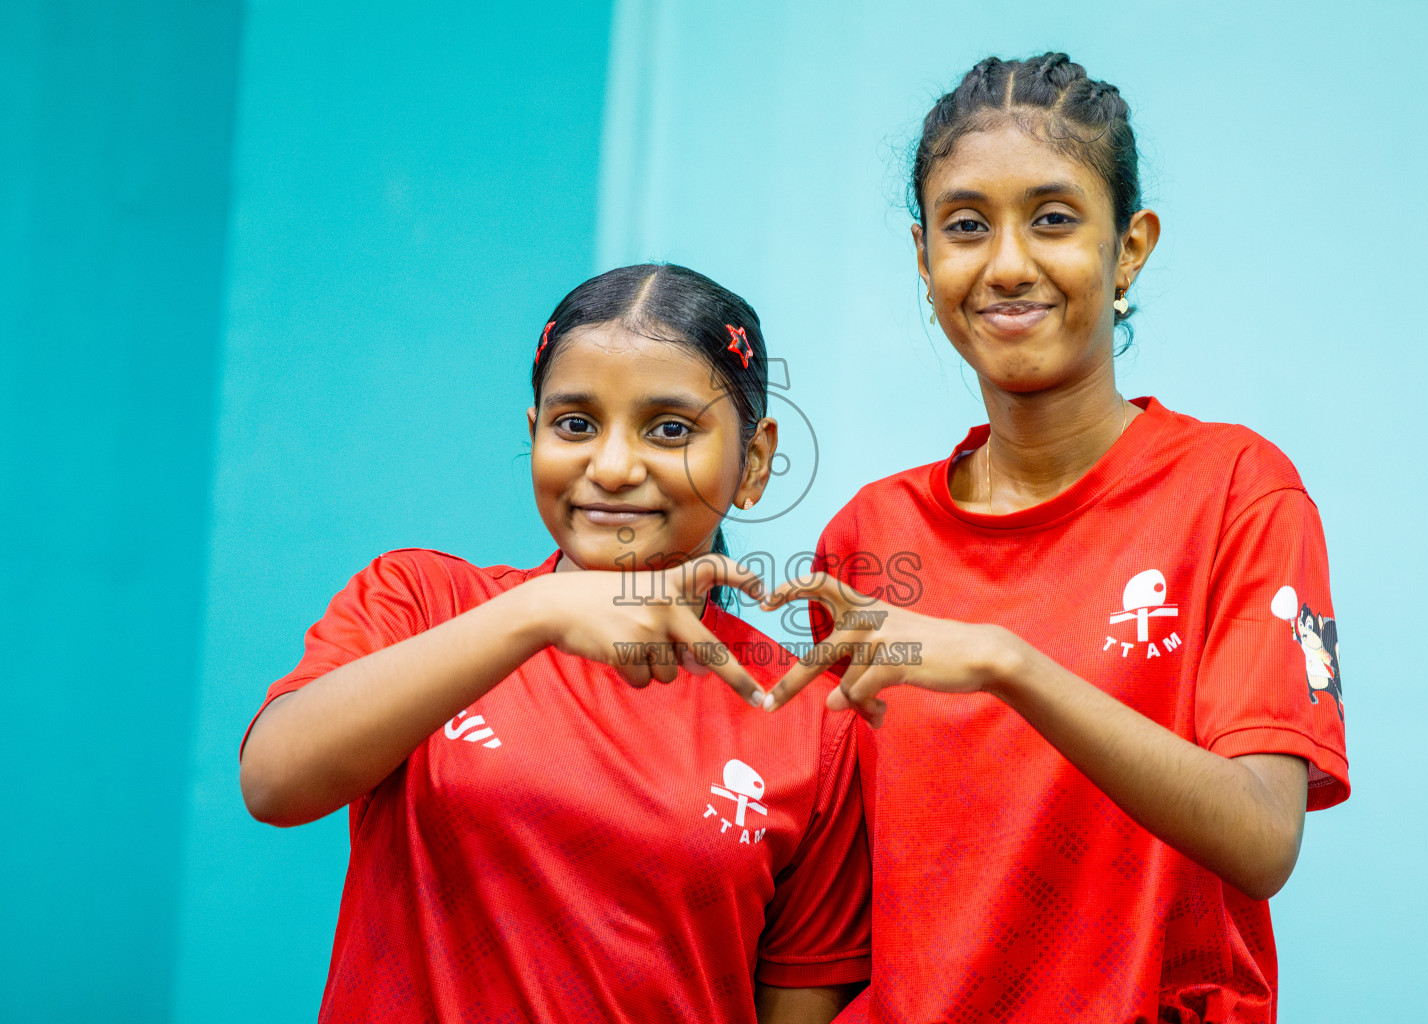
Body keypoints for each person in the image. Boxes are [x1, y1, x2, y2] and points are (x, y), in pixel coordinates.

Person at [761, 55, 1349, 1023]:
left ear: (1130, 248)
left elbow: (1260, 835)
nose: (1006, 263)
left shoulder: (1237, 490)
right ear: (922, 259)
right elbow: (826, 906)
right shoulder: (869, 535)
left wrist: (1005, 661)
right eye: (964, 226)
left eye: (1053, 217)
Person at [239, 264, 871, 1024]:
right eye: (575, 424)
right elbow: (275, 784)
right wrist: (535, 611)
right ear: (534, 432)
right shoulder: (422, 601)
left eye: (670, 429)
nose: (611, 467)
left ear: (756, 461)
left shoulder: (808, 717)